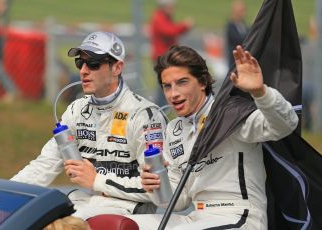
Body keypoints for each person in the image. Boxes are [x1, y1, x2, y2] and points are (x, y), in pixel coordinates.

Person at [126, 45, 299, 229]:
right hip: (196, 216)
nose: (173, 94)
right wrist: (157, 186)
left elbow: (285, 125)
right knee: (114, 224)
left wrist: (260, 92)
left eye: (182, 82)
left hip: (239, 216)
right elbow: (179, 201)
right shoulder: (173, 129)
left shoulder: (229, 113)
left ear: (202, 82)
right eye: (167, 86)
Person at [11, 31, 167, 220]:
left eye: (93, 64)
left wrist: (97, 181)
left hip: (126, 211)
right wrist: (6, 194)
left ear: (117, 67)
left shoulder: (144, 116)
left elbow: (158, 190)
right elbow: (44, 165)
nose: (83, 70)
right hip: (83, 203)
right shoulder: (77, 110)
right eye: (80, 62)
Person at [149, 0, 194, 107]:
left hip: (166, 58)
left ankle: (163, 109)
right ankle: (160, 110)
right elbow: (169, 31)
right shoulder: (158, 17)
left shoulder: (163, 17)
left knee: (166, 86)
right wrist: (185, 26)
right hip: (162, 59)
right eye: (171, 7)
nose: (173, 9)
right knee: (164, 87)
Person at [225, 0, 249, 69]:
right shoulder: (230, 26)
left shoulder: (245, 26)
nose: (243, 13)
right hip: (234, 64)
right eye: (240, 11)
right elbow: (239, 40)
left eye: (244, 10)